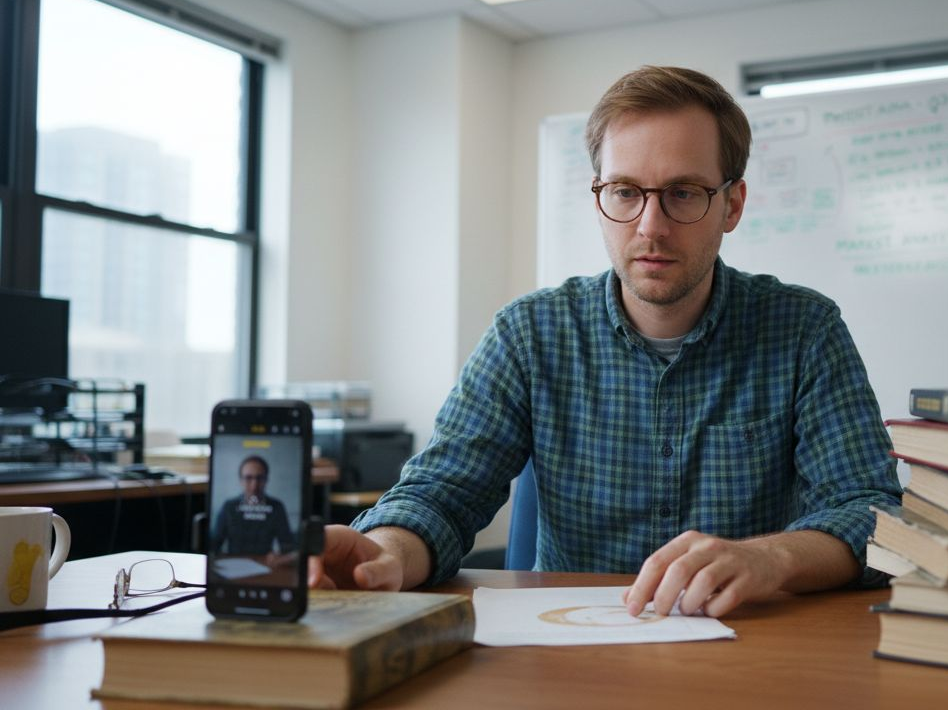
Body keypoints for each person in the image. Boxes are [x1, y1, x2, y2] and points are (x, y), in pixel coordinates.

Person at [310, 66, 901, 617]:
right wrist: (383, 550)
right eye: (625, 192)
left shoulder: (803, 330)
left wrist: (771, 557)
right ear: (599, 197)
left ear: (732, 205)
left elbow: (874, 513)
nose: (650, 226)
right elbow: (442, 493)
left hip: (746, 642)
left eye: (684, 193)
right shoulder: (530, 334)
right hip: (571, 647)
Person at [212, 455, 295, 559]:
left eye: (259, 478)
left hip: (265, 566)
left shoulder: (277, 507)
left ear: (266, 480)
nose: (254, 485)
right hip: (234, 566)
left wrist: (280, 556)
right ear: (241, 481)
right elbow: (214, 545)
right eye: (248, 478)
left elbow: (288, 546)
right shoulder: (229, 506)